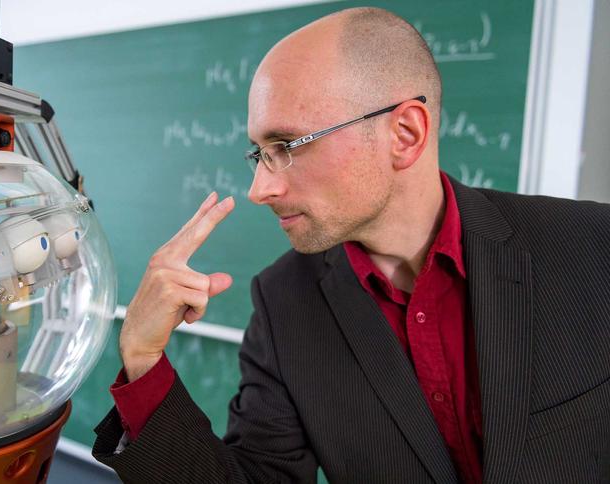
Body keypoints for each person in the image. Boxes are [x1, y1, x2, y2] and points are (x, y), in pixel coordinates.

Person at [92, 7, 610, 483]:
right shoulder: (282, 305)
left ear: (404, 134)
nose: (259, 190)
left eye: (286, 147)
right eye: (260, 154)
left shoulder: (591, 247)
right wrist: (142, 358)